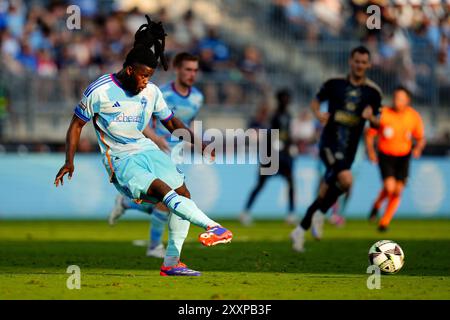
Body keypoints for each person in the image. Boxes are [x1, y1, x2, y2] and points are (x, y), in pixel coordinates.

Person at [54, 16, 232, 276]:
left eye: (150, 76)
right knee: (163, 192)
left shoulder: (151, 92)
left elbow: (171, 122)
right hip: (120, 158)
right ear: (129, 71)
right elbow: (76, 125)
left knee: (183, 195)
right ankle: (213, 226)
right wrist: (69, 160)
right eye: (144, 76)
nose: (147, 81)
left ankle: (172, 263)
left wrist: (199, 142)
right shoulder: (100, 91)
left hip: (146, 149)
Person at [108, 52, 204, 259]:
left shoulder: (197, 97)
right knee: (169, 201)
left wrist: (193, 141)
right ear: (177, 69)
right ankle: (154, 247)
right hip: (153, 150)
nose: (192, 74)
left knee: (164, 203)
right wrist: (155, 139)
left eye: (195, 70)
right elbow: (139, 122)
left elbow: (189, 121)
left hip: (176, 152)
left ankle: (125, 203)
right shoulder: (160, 93)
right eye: (188, 69)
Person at [290, 46, 382, 252]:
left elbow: (378, 123)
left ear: (368, 65)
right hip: (329, 143)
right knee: (346, 180)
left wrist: (372, 118)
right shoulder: (334, 84)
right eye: (356, 61)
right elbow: (316, 101)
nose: (359, 65)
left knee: (326, 190)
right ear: (351, 61)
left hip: (350, 148)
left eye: (363, 62)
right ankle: (319, 215)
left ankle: (302, 227)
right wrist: (317, 113)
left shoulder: (373, 93)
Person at [366, 86, 425, 232]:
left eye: (400, 98)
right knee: (389, 187)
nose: (397, 101)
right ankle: (377, 205)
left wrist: (418, 148)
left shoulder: (413, 116)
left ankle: (384, 222)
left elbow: (420, 138)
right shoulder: (384, 114)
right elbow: (370, 134)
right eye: (395, 97)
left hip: (404, 157)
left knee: (398, 190)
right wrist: (371, 152)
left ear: (407, 100)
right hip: (386, 155)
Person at [240, 89, 297, 226]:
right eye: (284, 98)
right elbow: (269, 135)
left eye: (287, 98)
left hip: (284, 156)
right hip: (271, 155)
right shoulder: (274, 116)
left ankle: (291, 214)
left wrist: (290, 146)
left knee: (290, 183)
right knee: (260, 184)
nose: (286, 101)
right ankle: (245, 212)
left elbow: (287, 134)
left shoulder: (288, 116)